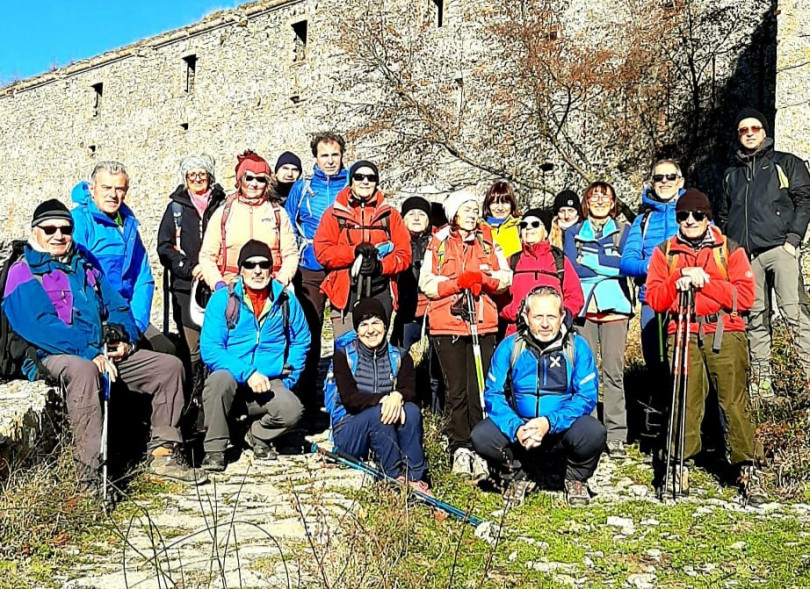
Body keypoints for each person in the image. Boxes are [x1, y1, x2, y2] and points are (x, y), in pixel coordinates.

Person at [3, 199, 205, 489]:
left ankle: (164, 452)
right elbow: (40, 326)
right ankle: (89, 479)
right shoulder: (22, 272)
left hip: (101, 351)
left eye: (65, 229)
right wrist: (90, 352)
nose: (58, 235)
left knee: (168, 367)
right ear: (35, 231)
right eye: (50, 229)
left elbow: (119, 307)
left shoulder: (83, 266)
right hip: (50, 355)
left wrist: (125, 341)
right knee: (84, 372)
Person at [645, 189, 767, 505]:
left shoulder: (730, 249)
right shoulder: (665, 252)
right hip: (682, 331)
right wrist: (677, 282)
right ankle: (677, 465)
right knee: (684, 400)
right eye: (683, 216)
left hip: (724, 331)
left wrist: (706, 283)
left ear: (708, 217)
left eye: (697, 215)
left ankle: (749, 469)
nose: (690, 221)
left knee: (734, 402)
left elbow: (745, 298)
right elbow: (655, 300)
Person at [471, 286, 605, 506]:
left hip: (560, 427)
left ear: (562, 316)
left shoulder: (577, 347)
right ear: (526, 316)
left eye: (551, 316)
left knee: (594, 432)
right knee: (481, 436)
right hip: (520, 428)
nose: (545, 324)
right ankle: (517, 474)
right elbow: (493, 394)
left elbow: (586, 396)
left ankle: (575, 478)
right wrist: (515, 427)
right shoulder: (510, 347)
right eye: (538, 317)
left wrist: (549, 423)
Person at [716, 108, 810, 397]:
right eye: (743, 130)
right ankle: (763, 387)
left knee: (795, 314)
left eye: (754, 128)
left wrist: (792, 241)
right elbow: (723, 215)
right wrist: (730, 253)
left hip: (780, 249)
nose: (749, 134)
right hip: (746, 258)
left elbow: (804, 199)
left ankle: (807, 378)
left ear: (764, 131)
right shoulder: (732, 174)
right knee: (755, 319)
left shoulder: (786, 163)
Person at [419, 189, 512, 478]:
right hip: (448, 324)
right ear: (454, 214)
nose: (473, 214)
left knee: (480, 389)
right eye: (467, 209)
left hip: (482, 323)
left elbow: (505, 277)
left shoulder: (488, 240)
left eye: (475, 209)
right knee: (456, 389)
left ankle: (481, 444)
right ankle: (459, 445)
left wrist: (483, 279)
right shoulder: (439, 242)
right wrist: (457, 283)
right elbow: (428, 283)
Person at [199, 240, 310, 471]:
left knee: (292, 410)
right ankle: (215, 449)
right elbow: (210, 348)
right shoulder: (222, 300)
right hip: (231, 379)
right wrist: (247, 373)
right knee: (219, 381)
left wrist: (289, 377)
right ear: (240, 270)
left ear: (272, 268)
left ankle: (256, 435)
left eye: (263, 264)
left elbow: (302, 339)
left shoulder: (286, 301)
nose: (257, 271)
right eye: (250, 265)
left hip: (269, 381)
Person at [326, 298, 430, 493]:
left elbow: (409, 389)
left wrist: (397, 396)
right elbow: (350, 398)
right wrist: (383, 399)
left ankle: (416, 475)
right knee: (378, 415)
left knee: (411, 410)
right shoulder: (344, 356)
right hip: (349, 430)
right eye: (364, 325)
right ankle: (392, 476)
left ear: (385, 325)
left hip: (384, 429)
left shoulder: (400, 356)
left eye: (376, 323)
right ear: (357, 330)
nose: (370, 330)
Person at [71, 161, 173, 354]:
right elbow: (77, 279)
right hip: (98, 316)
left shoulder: (128, 225)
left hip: (128, 314)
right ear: (92, 189)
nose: (113, 194)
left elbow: (143, 278)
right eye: (106, 187)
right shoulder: (79, 222)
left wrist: (135, 325)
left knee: (166, 350)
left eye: (119, 189)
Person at [564, 182, 633, 459]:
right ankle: (590, 432)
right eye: (594, 196)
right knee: (586, 374)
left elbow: (626, 265)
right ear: (586, 201)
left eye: (606, 197)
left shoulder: (625, 232)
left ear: (614, 202)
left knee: (614, 373)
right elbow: (572, 267)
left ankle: (616, 434)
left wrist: (593, 261)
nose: (600, 201)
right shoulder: (572, 232)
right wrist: (608, 264)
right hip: (584, 310)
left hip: (616, 308)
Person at [285, 132, 349, 408]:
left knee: (344, 331)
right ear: (316, 158)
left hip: (341, 265)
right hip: (309, 265)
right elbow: (287, 222)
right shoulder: (302, 188)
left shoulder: (350, 184)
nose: (330, 160)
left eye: (335, 155)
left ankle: (343, 392)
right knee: (308, 329)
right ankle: (305, 394)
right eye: (325, 155)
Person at [314, 160, 411, 337]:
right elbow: (322, 252)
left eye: (371, 178)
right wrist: (353, 252)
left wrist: (382, 266)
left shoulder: (390, 215)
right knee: (346, 350)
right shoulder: (334, 213)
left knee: (376, 346)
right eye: (359, 177)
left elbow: (404, 254)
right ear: (351, 181)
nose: (365, 181)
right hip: (346, 292)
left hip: (380, 290)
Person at [157, 154, 227, 399]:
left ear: (210, 176)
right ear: (185, 178)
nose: (197, 179)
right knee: (193, 348)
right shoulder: (175, 209)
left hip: (218, 285)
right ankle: (196, 402)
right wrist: (188, 267)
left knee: (219, 342)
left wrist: (212, 268)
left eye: (202, 174)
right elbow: (165, 247)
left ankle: (218, 400)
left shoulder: (223, 205)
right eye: (192, 175)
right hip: (186, 289)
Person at [620, 160, 685, 379]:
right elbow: (627, 262)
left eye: (670, 177)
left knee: (685, 360)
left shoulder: (693, 212)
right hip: (652, 298)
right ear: (651, 183)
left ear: (680, 181)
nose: (664, 182)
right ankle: (660, 409)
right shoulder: (642, 220)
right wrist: (651, 266)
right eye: (659, 178)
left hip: (686, 297)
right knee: (655, 360)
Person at [198, 150, 298, 294]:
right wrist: (217, 283)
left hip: (271, 286)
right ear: (240, 180)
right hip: (230, 286)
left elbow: (290, 253)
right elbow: (207, 255)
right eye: (249, 178)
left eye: (261, 179)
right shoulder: (223, 213)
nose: (254, 184)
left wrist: (281, 281)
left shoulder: (278, 213)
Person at [392, 195, 444, 412]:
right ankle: (403, 403)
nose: (416, 218)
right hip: (406, 311)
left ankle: (436, 411)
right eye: (410, 214)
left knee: (435, 364)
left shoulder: (438, 243)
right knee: (401, 360)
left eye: (421, 214)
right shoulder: (395, 242)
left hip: (432, 310)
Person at [501, 208, 583, 336]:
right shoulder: (512, 261)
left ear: (545, 232)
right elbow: (499, 297)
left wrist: (559, 316)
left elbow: (575, 296)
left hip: (552, 333)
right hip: (517, 331)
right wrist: (513, 313)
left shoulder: (559, 260)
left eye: (535, 224)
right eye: (524, 225)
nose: (528, 228)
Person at [483, 181, 522, 258]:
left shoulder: (520, 228)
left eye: (505, 202)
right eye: (495, 203)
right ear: (488, 205)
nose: (500, 208)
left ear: (512, 205)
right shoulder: (479, 230)